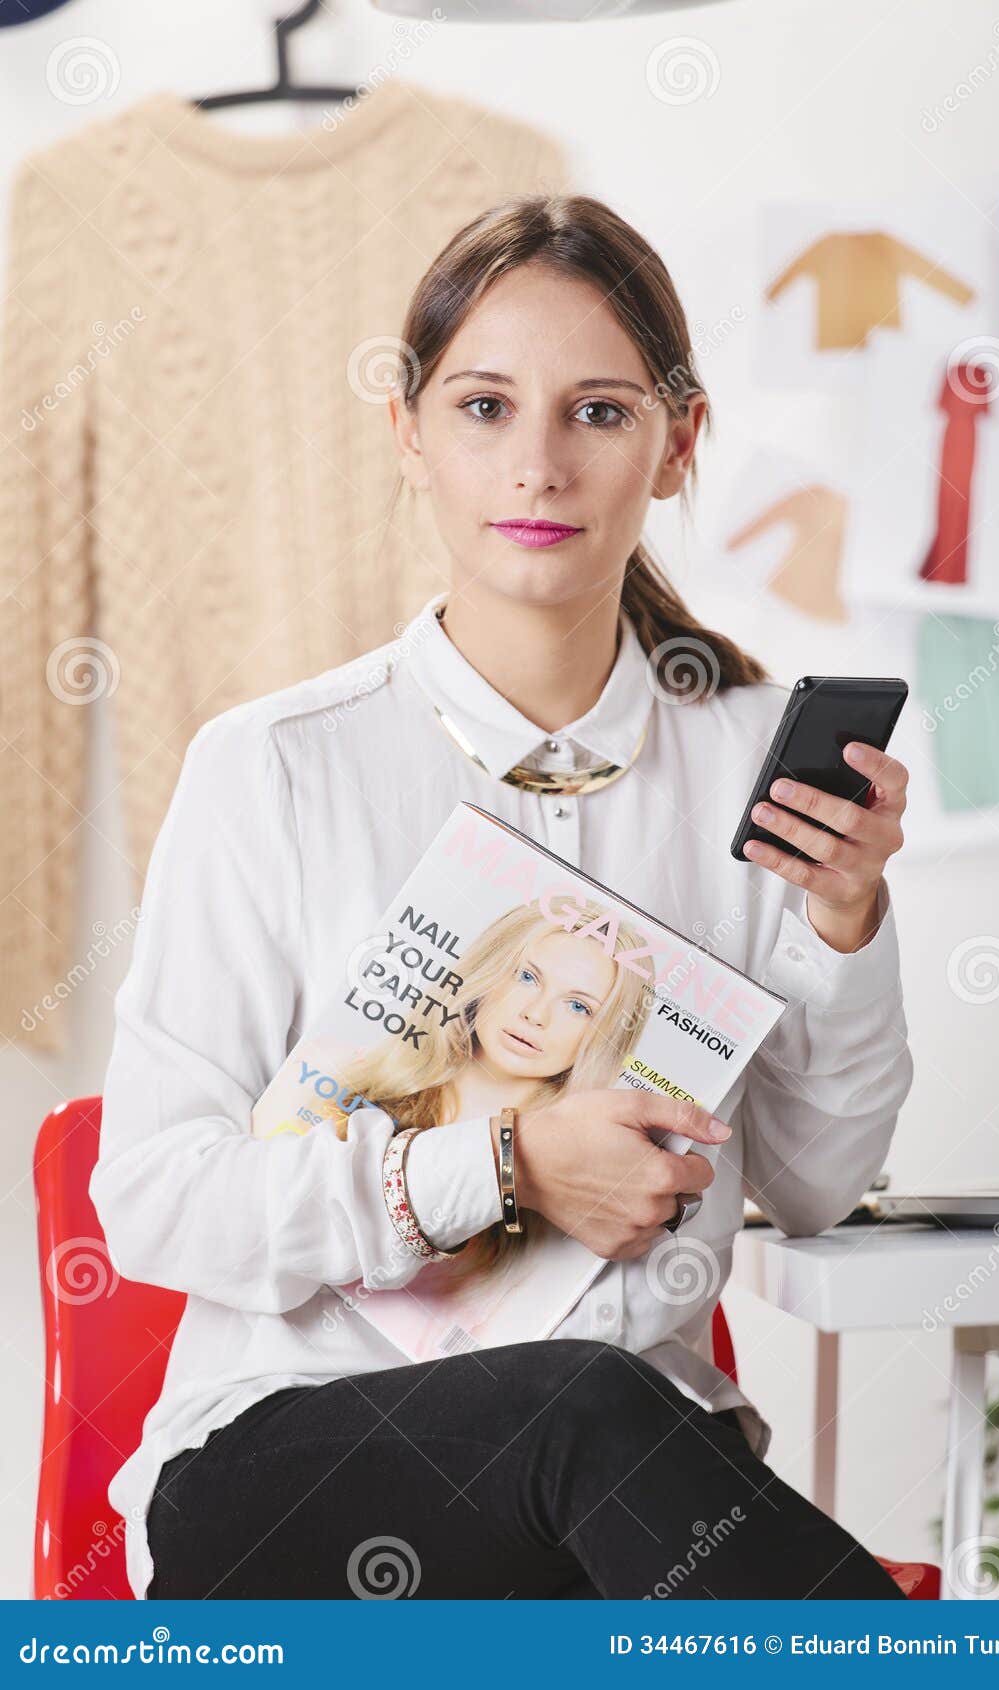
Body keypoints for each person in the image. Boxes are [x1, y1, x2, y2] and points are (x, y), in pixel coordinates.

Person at [91, 192, 914, 1601]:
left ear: (679, 442)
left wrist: (847, 932)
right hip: (289, 1471)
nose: (538, 464)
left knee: (605, 1410)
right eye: (483, 408)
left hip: (621, 1485)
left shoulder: (742, 761)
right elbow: (158, 1206)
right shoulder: (275, 766)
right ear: (408, 434)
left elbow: (818, 1185)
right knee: (582, 1405)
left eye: (599, 413)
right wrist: (508, 1168)